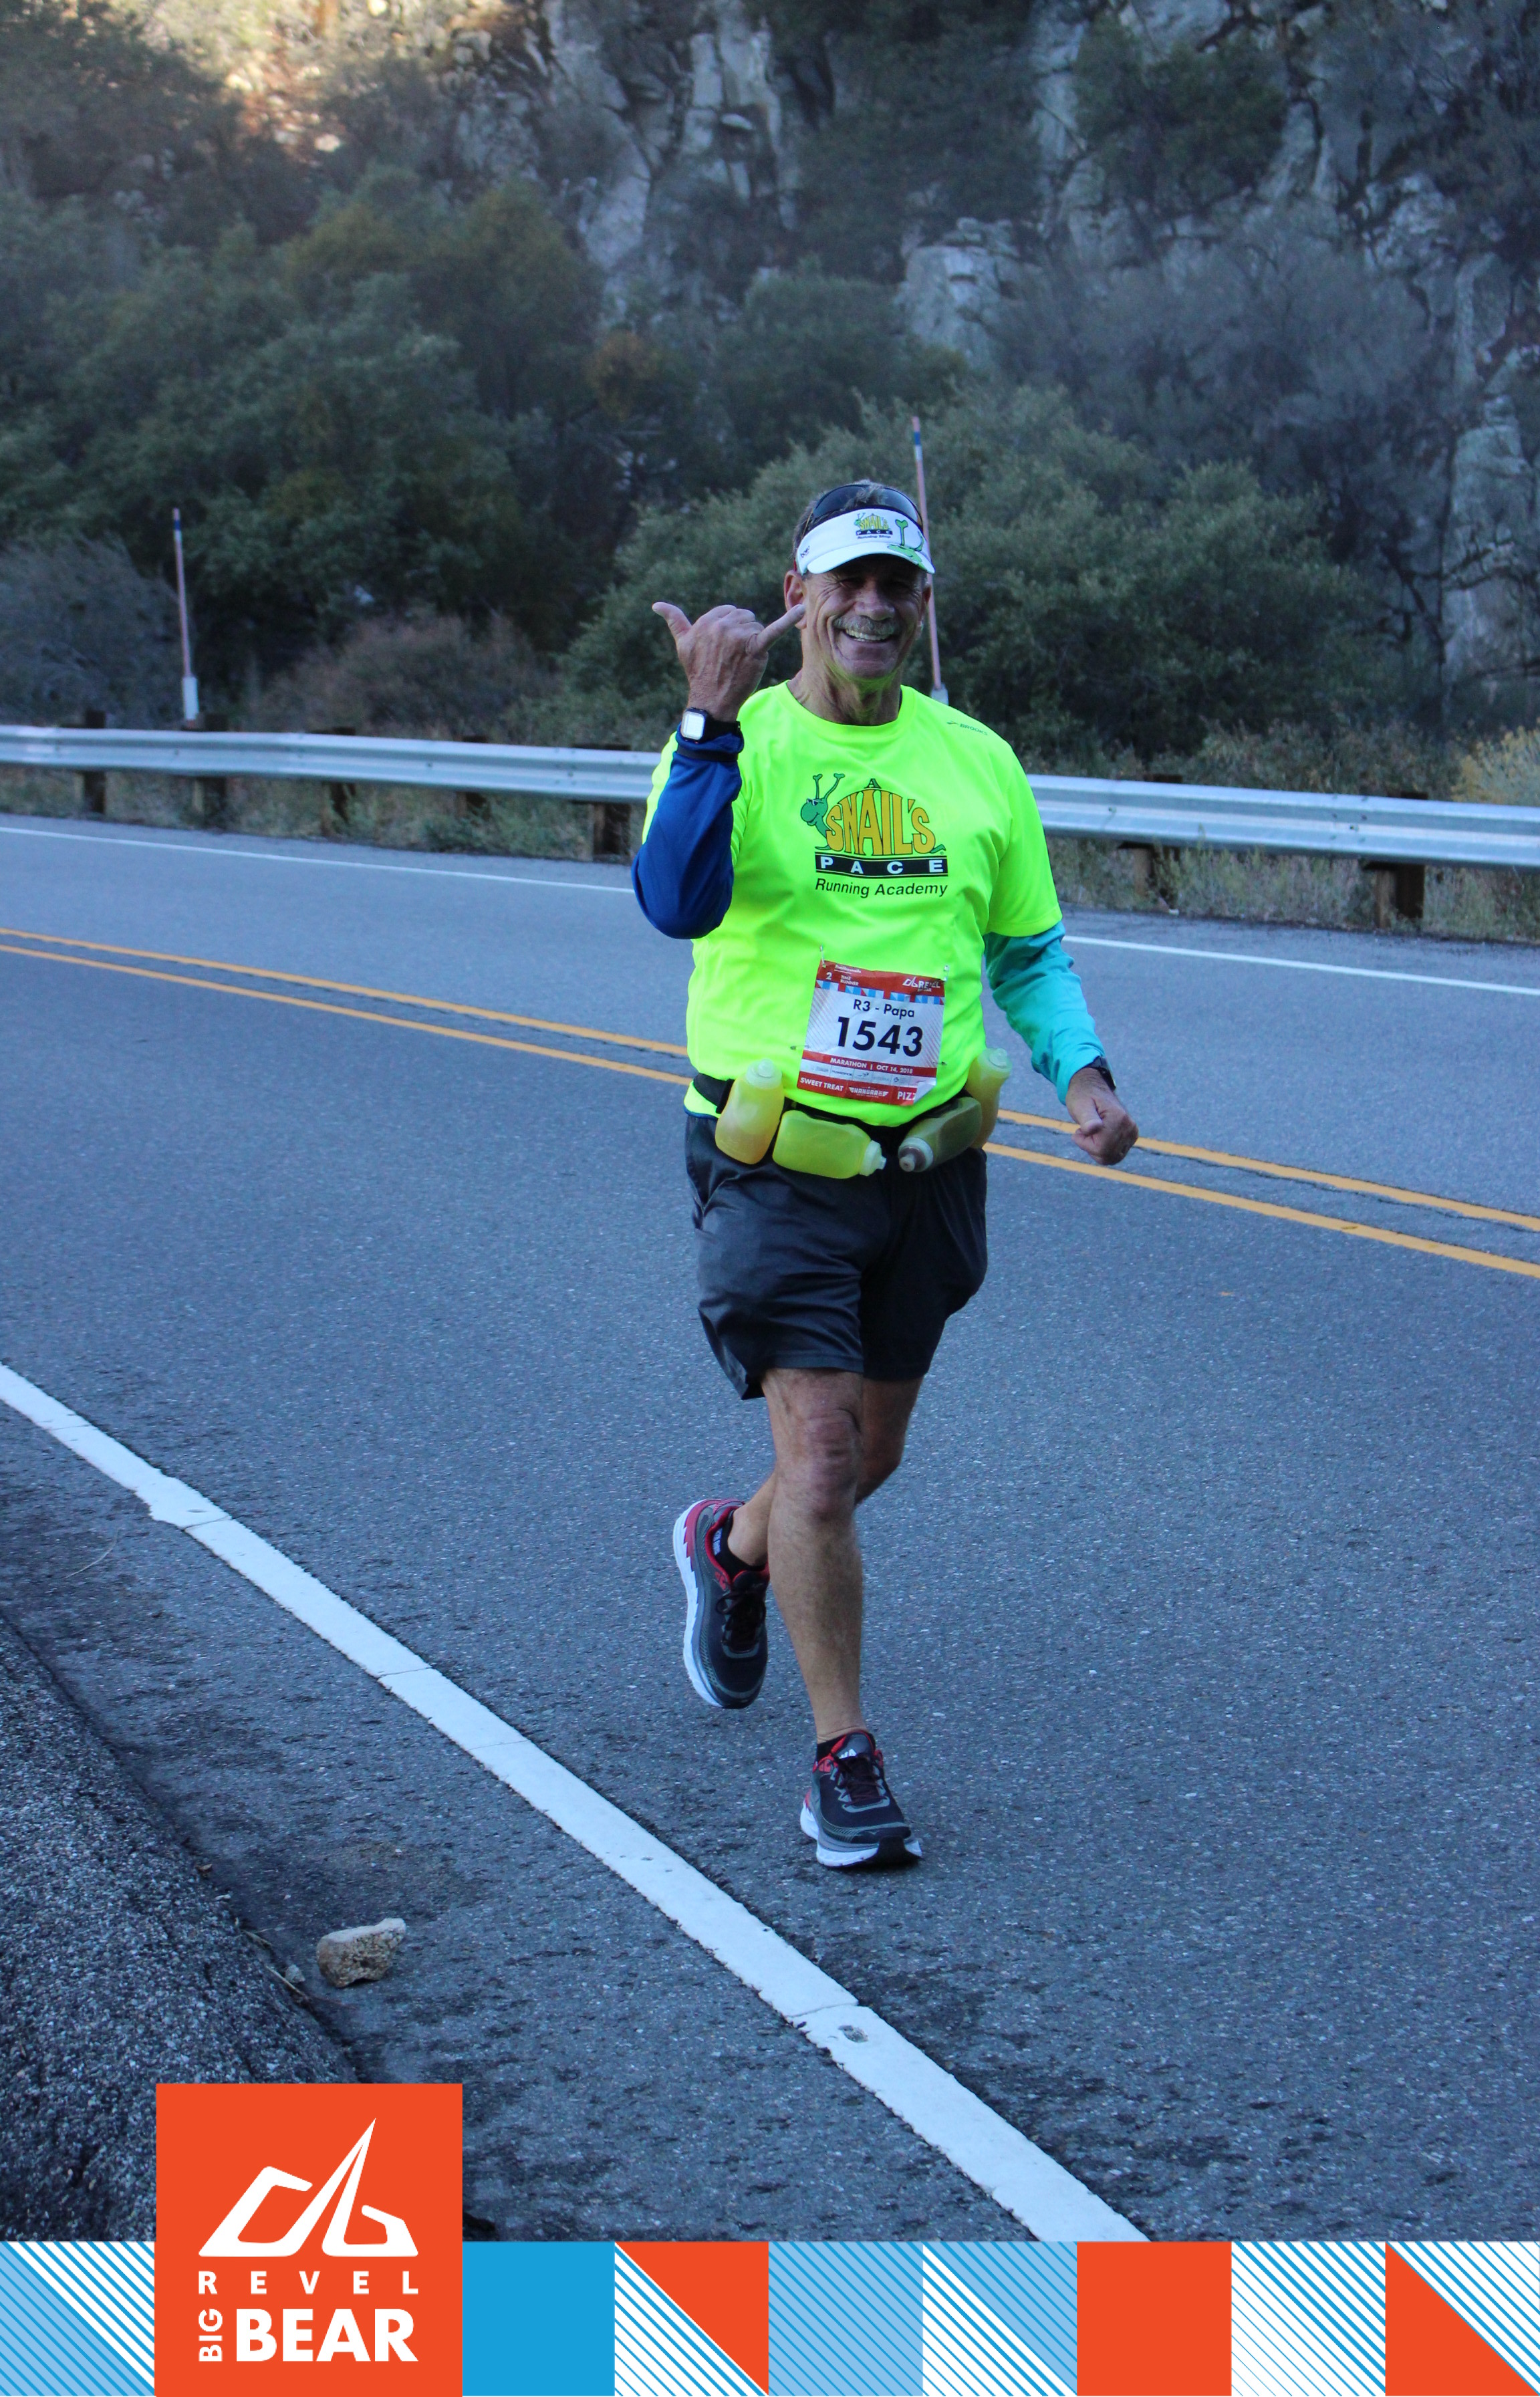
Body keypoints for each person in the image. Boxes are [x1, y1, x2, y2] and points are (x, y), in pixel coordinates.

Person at [633, 479, 1138, 1869]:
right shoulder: (737, 740)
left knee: (869, 1456)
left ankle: (731, 1550)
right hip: (774, 1163)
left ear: (922, 604)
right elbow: (673, 899)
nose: (872, 606)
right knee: (823, 1456)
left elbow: (1027, 951)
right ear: (797, 594)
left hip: (927, 1166)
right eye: (846, 581)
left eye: (897, 585)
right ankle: (842, 1760)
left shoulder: (976, 761)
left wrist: (1083, 1074)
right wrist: (707, 721)